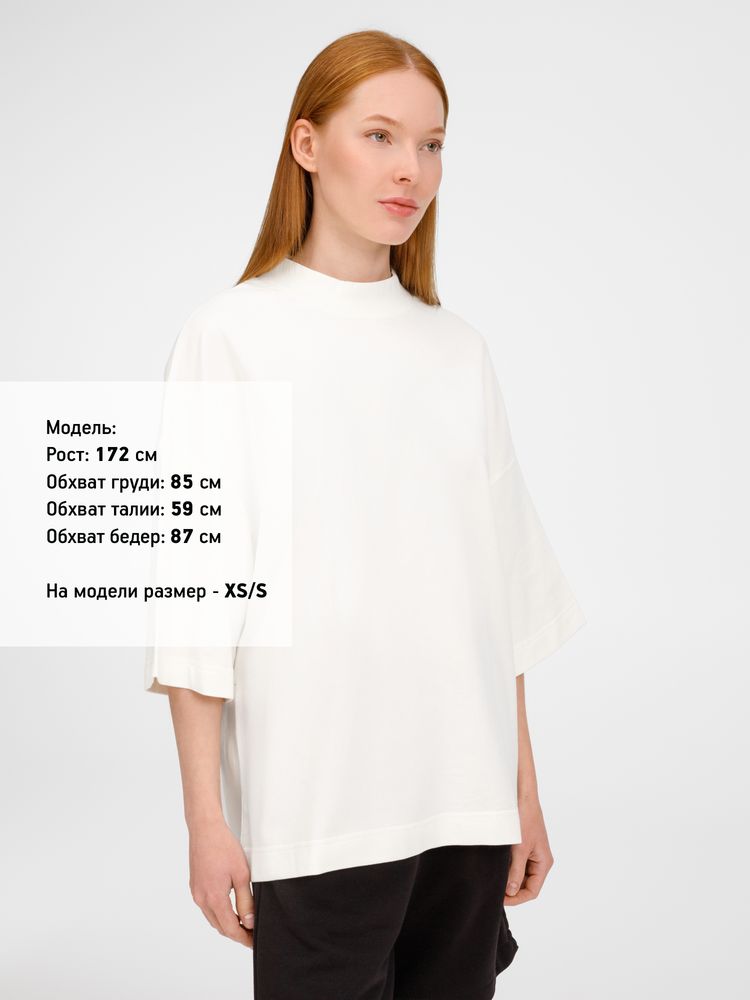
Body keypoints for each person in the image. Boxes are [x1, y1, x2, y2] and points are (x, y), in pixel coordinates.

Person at [145, 28, 587, 1000]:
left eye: (431, 144)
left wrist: (522, 794)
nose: (410, 170)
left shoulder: (458, 351)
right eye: (380, 135)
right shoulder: (229, 337)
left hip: (465, 810)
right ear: (307, 144)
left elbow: (501, 600)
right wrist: (205, 821)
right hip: (320, 812)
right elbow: (194, 604)